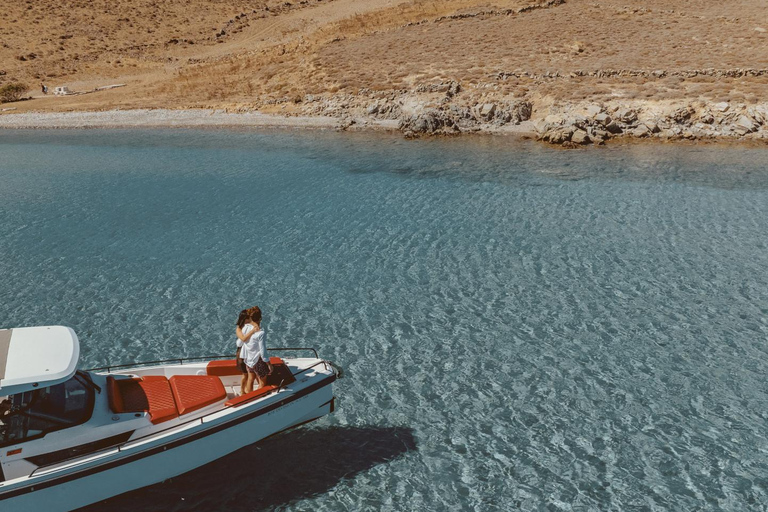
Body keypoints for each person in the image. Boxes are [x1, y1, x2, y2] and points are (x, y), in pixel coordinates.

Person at [240, 306, 272, 393]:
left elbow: (241, 342)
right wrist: (269, 364)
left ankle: (248, 397)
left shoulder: (245, 328)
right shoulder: (261, 333)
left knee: (251, 378)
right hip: (258, 361)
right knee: (262, 382)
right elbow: (263, 350)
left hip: (248, 359)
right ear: (260, 318)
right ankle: (257, 399)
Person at [234, 309, 251, 395]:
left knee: (250, 373)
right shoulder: (239, 329)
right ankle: (242, 390)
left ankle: (247, 390)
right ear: (245, 319)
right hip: (242, 353)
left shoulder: (250, 327)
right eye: (249, 318)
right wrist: (252, 331)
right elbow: (243, 339)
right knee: (245, 373)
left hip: (249, 351)